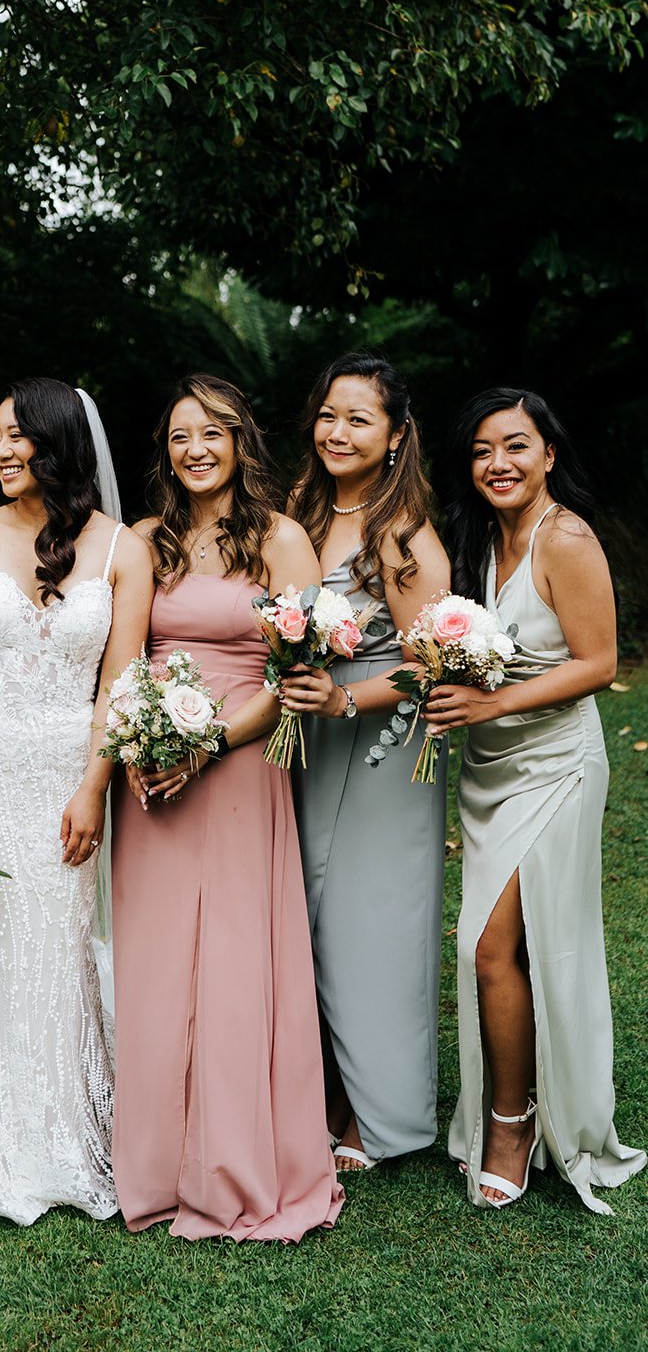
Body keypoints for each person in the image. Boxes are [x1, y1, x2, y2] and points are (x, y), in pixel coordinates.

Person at [0, 377, 153, 1225]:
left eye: (23, 437)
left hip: (64, 776)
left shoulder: (124, 550)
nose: (4, 451)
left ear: (62, 447)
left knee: (59, 947)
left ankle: (60, 1126)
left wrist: (94, 784)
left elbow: (119, 683)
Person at [111, 373, 343, 1241]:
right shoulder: (146, 540)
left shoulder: (280, 540)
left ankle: (238, 1160)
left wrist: (206, 743)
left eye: (210, 433)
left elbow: (297, 678)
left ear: (241, 440)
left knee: (239, 965)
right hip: (152, 778)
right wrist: (141, 746)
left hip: (240, 765)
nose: (194, 450)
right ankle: (156, 1165)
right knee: (158, 966)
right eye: (178, 437)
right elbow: (122, 656)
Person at [426, 388, 645, 1211]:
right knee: (500, 950)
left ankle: (512, 1123)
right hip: (489, 771)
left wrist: (489, 704)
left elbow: (597, 663)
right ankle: (513, 1104)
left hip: (554, 767)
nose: (497, 464)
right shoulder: (481, 538)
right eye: (482, 450)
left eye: (515, 447)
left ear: (548, 454)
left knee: (488, 949)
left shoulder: (566, 537)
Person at [284, 352, 450, 1173]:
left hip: (380, 740)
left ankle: (384, 1117)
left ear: (393, 437)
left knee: (371, 921)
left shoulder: (404, 533)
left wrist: (347, 699)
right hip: (303, 739)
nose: (337, 432)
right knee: (307, 918)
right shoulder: (297, 519)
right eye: (327, 415)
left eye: (358, 418)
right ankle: (324, 1091)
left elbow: (434, 658)